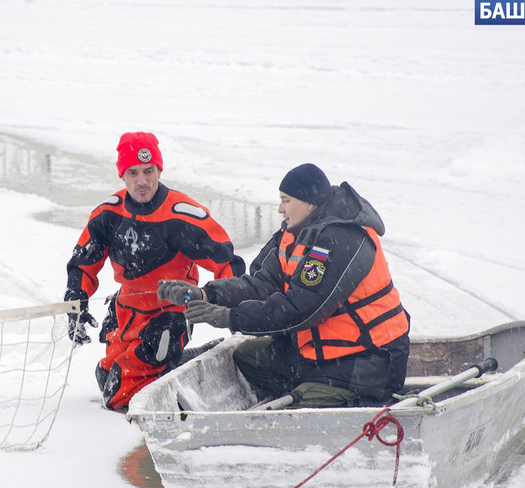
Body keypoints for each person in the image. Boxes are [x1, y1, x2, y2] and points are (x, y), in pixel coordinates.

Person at [157, 163, 409, 408]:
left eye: (286, 200)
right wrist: (207, 293)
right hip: (315, 355)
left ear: (310, 202)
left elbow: (303, 309)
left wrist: (231, 317)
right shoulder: (296, 231)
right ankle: (299, 390)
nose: (280, 209)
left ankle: (333, 399)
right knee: (245, 356)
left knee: (297, 412)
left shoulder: (342, 239)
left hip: (365, 363)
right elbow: (262, 283)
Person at [64, 132, 245, 411]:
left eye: (149, 171)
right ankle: (180, 363)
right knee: (106, 378)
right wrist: (75, 300)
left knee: (119, 397)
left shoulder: (181, 215)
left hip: (169, 315)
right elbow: (82, 263)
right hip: (126, 312)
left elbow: (227, 263)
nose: (142, 181)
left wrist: (231, 311)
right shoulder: (108, 214)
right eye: (133, 172)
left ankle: (175, 361)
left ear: (159, 170)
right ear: (122, 176)